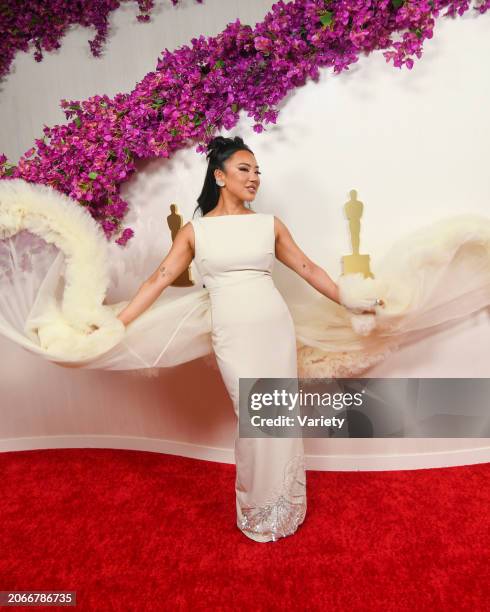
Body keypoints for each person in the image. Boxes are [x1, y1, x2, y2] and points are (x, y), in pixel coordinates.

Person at [114, 135, 379, 542]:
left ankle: (285, 505)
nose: (254, 177)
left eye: (257, 171)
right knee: (252, 417)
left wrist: (349, 299)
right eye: (244, 169)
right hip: (233, 330)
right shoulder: (194, 231)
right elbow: (159, 279)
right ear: (219, 176)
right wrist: (120, 323)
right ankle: (257, 508)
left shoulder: (268, 224)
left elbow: (307, 268)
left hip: (273, 325)